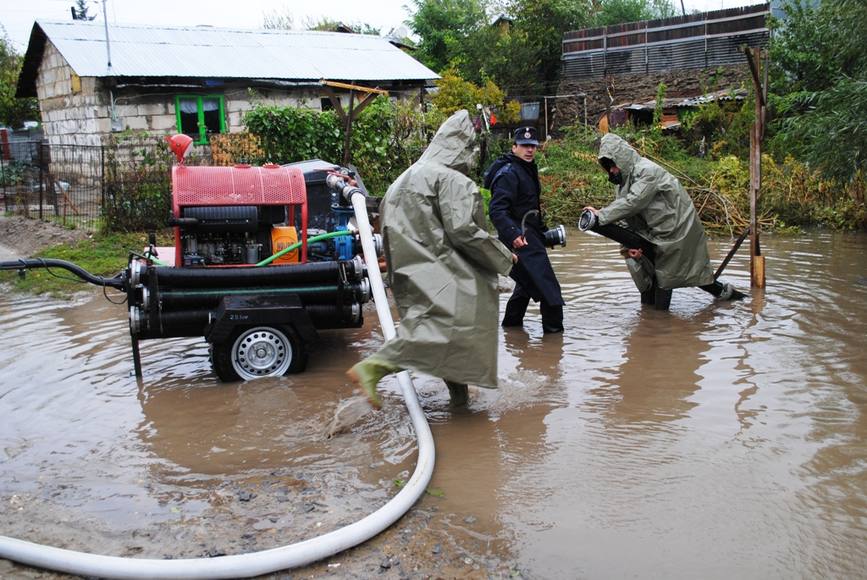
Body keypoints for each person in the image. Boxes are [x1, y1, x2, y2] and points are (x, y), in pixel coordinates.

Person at [346, 110, 516, 409]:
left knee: (445, 332)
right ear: (466, 146)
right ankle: (374, 367)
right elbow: (465, 231)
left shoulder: (404, 178)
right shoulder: (452, 180)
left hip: (407, 269)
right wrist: (503, 256)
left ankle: (460, 402)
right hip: (443, 268)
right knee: (449, 328)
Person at [586, 133, 740, 309]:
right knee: (668, 275)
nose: (612, 171)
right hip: (655, 232)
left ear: (622, 160)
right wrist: (630, 246)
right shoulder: (624, 181)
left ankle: (660, 326)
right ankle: (655, 323)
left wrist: (600, 215)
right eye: (608, 168)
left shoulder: (647, 171)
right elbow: (626, 215)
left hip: (677, 230)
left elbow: (633, 203)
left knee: (673, 275)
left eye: (613, 165)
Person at [487, 126, 565, 333]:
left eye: (532, 146)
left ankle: (511, 333)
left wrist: (543, 233)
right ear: (514, 147)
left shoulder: (526, 169)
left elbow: (529, 208)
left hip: (530, 235)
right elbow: (496, 210)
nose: (529, 150)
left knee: (525, 285)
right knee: (550, 291)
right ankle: (555, 342)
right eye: (524, 146)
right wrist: (513, 235)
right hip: (519, 238)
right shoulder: (509, 173)